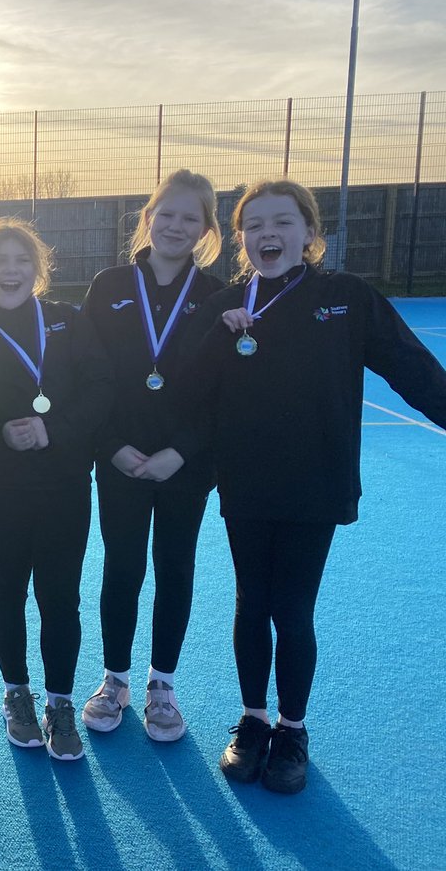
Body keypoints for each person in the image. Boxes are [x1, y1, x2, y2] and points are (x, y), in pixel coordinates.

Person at [191, 179, 446, 794]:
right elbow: (189, 391)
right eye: (254, 225)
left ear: (309, 232)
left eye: (282, 222)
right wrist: (216, 336)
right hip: (247, 481)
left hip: (317, 481)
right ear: (241, 238)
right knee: (252, 600)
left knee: (293, 607)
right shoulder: (225, 304)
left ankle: (292, 729)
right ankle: (252, 723)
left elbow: (410, 365)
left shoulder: (347, 297)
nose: (267, 234)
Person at [78, 169, 224, 743]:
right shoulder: (109, 284)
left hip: (183, 467)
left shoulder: (217, 296)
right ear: (147, 217)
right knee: (122, 568)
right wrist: (111, 448)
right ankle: (115, 677)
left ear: (207, 229)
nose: (176, 226)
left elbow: (223, 392)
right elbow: (88, 376)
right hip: (121, 461)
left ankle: (162, 683)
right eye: (167, 213)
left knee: (175, 568)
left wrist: (182, 452)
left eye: (191, 217)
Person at [0, 217, 114, 761]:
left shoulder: (67, 321)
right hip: (2, 486)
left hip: (65, 483)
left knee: (60, 596)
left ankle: (59, 702)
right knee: (6, 589)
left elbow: (100, 387)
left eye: (22, 260)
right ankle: (16, 694)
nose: (11, 270)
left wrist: (54, 428)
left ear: (39, 270)